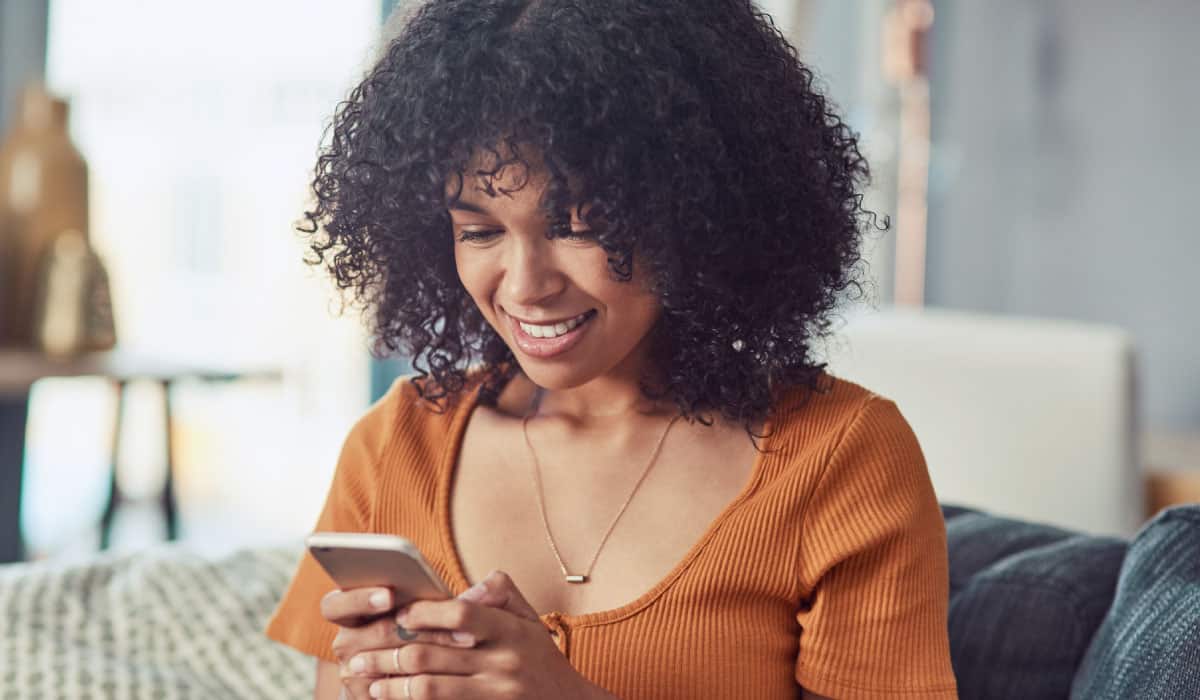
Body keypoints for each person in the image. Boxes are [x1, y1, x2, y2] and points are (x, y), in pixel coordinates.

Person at [265, 1, 959, 698]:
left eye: (576, 226)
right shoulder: (395, 446)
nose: (526, 285)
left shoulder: (840, 459)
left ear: (694, 209)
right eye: (479, 232)